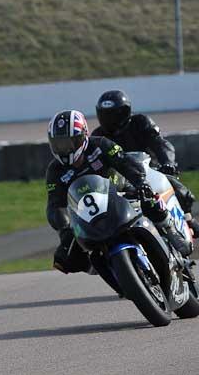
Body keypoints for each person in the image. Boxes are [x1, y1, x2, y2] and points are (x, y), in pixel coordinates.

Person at [45, 110, 192, 275]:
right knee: (65, 258)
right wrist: (64, 229)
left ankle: (170, 229)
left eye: (70, 142)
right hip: (89, 215)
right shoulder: (55, 171)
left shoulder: (100, 144)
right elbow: (55, 204)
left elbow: (124, 162)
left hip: (123, 192)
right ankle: (111, 272)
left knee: (150, 199)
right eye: (60, 144)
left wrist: (140, 182)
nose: (66, 149)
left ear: (83, 136)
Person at [92, 89, 199, 234]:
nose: (109, 119)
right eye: (105, 114)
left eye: (113, 114)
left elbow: (161, 144)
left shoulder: (140, 122)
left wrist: (168, 163)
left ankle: (187, 219)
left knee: (180, 191)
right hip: (116, 182)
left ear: (124, 112)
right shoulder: (98, 136)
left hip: (148, 172)